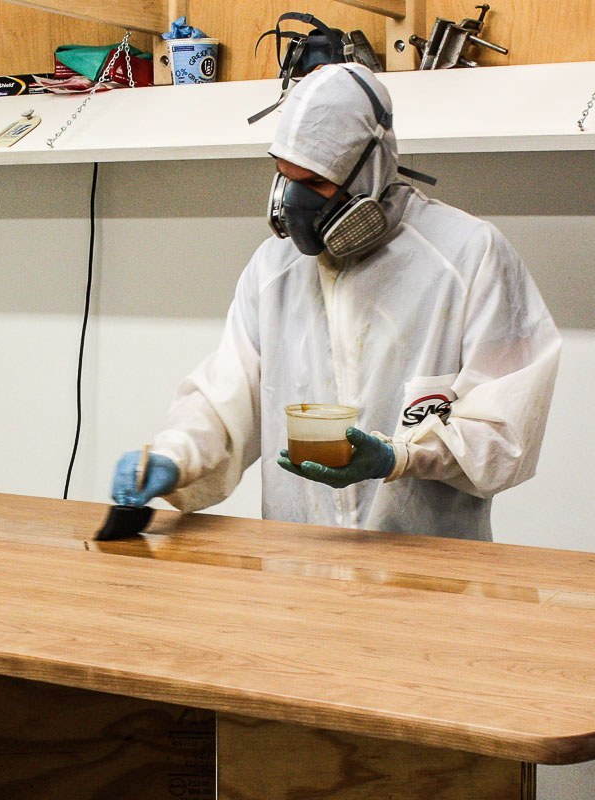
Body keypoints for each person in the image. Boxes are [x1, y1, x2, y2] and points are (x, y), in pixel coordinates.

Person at [110, 63, 561, 540]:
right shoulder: (274, 269)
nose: (296, 204)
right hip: (298, 558)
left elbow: (504, 432)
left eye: (316, 184)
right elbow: (229, 395)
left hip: (427, 561)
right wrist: (173, 455)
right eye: (286, 178)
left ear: (370, 170)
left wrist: (402, 456)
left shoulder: (469, 256)